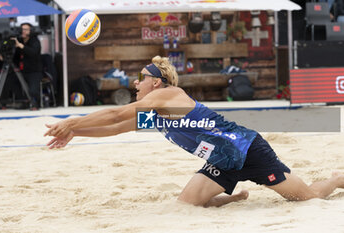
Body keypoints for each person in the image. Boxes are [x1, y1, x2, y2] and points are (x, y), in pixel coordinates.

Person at [44, 56, 344, 208]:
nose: (136, 83)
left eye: (141, 78)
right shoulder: (160, 114)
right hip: (222, 161)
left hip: (246, 150)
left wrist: (71, 121)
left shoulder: (170, 96)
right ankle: (232, 198)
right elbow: (117, 126)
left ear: (157, 82)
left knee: (306, 197)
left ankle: (336, 178)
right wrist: (77, 133)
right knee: (187, 205)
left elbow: (116, 112)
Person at [11, 23, 42, 109]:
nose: (23, 31)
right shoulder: (19, 40)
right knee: (12, 82)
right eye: (22, 29)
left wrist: (20, 46)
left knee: (33, 90)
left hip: (34, 71)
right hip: (22, 70)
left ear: (31, 31)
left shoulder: (35, 41)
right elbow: (15, 56)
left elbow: (33, 53)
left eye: (25, 29)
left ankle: (36, 104)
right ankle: (25, 102)